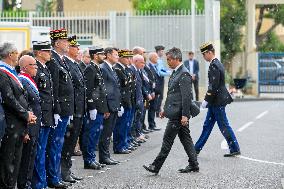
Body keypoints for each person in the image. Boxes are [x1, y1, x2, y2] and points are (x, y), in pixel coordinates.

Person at [143, 47, 199, 174]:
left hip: (178, 114)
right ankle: (194, 164)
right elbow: (172, 95)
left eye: (169, 60)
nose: (167, 62)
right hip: (174, 112)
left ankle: (155, 166)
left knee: (167, 140)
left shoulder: (183, 73)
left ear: (176, 59)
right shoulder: (175, 72)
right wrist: (165, 111)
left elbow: (186, 97)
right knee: (186, 139)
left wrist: (185, 115)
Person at [0, 42, 37, 188]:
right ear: (10, 55)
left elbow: (20, 97)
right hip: (10, 124)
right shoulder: (3, 73)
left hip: (18, 123)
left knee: (16, 160)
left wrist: (27, 115)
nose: (18, 55)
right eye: (16, 53)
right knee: (8, 161)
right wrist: (25, 114)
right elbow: (9, 99)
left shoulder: (11, 71)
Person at [195, 42, 240, 157]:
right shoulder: (216, 63)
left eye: (204, 54)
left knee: (223, 125)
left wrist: (206, 100)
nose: (204, 57)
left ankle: (234, 148)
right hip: (216, 101)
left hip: (217, 101)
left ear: (209, 53)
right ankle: (196, 149)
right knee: (207, 126)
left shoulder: (214, 65)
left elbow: (213, 86)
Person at [46, 28, 74, 189]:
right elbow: (54, 88)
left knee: (59, 144)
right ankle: (53, 178)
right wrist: (56, 110)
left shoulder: (61, 59)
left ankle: (56, 176)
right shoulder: (53, 60)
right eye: (65, 41)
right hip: (60, 109)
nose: (68, 44)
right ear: (57, 43)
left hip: (65, 109)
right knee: (55, 145)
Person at [61, 35, 85, 183]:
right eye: (75, 47)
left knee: (71, 142)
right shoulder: (67, 64)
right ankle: (63, 172)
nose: (78, 49)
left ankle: (67, 170)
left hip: (78, 109)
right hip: (73, 109)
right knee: (67, 143)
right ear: (69, 49)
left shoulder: (74, 64)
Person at [31, 41, 55, 189]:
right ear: (39, 53)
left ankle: (43, 182)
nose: (50, 54)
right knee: (39, 151)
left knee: (43, 150)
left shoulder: (44, 68)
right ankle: (39, 184)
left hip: (47, 114)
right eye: (47, 51)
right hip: (40, 115)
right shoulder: (36, 69)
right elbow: (35, 95)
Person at [82, 46, 109, 170]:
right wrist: (91, 106)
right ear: (95, 55)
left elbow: (100, 91)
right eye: (101, 54)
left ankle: (92, 158)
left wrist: (104, 108)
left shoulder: (97, 68)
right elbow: (88, 90)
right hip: (94, 108)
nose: (104, 56)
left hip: (99, 108)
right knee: (91, 135)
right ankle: (88, 160)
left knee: (95, 134)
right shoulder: (90, 69)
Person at [17, 55, 42, 189]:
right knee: (26, 159)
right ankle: (24, 184)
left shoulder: (29, 80)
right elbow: (25, 106)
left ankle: (27, 183)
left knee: (31, 157)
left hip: (35, 125)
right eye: (34, 65)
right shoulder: (22, 80)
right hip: (29, 126)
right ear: (26, 67)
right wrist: (26, 130)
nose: (37, 68)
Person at [98, 47, 121, 165]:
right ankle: (103, 157)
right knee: (105, 133)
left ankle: (106, 155)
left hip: (114, 105)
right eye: (115, 54)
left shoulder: (111, 68)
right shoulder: (103, 68)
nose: (118, 57)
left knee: (108, 133)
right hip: (108, 107)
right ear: (108, 55)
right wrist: (105, 108)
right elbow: (103, 90)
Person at [154, 45, 171, 117]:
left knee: (160, 96)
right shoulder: (157, 60)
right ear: (158, 51)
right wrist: (169, 73)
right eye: (161, 51)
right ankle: (157, 111)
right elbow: (160, 72)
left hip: (160, 80)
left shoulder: (160, 59)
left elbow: (162, 69)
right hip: (158, 80)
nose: (163, 52)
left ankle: (158, 110)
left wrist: (168, 71)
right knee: (159, 96)